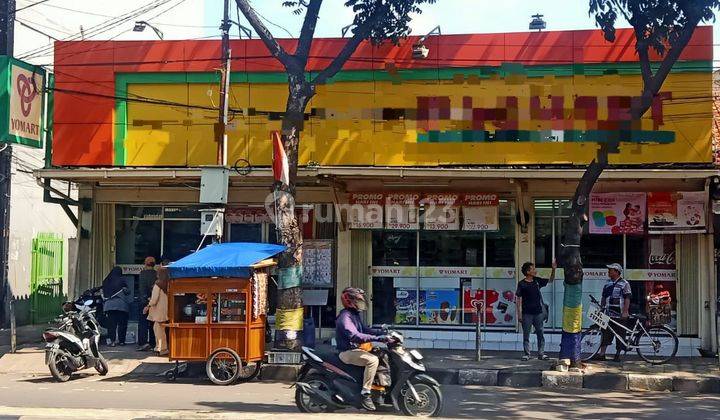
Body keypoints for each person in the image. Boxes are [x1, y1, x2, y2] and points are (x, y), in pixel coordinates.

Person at [336, 287, 390, 412]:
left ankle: (378, 389)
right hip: (347, 352)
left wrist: (383, 332)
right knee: (372, 360)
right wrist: (378, 338)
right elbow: (355, 336)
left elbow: (365, 330)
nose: (361, 303)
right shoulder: (345, 317)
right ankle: (365, 393)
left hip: (356, 350)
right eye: (358, 300)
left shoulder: (354, 315)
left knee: (382, 355)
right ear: (350, 301)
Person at [516, 259, 556, 361]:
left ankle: (541, 353)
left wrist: (553, 269)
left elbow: (551, 280)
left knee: (540, 333)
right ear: (528, 272)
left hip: (538, 312)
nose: (535, 270)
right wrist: (519, 314)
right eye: (533, 269)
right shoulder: (522, 284)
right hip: (526, 313)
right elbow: (518, 299)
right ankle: (527, 354)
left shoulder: (537, 281)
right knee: (526, 334)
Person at [593, 263, 632, 362]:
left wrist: (625, 311)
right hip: (608, 313)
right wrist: (601, 308)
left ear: (616, 271)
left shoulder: (624, 283)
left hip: (619, 314)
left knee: (620, 334)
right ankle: (602, 354)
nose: (608, 272)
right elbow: (604, 297)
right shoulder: (607, 283)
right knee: (605, 333)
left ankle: (618, 354)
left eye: (611, 270)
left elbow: (627, 298)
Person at [102, 266, 131, 346]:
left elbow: (104, 292)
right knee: (122, 324)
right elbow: (128, 292)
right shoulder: (122, 280)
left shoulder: (106, 281)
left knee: (111, 325)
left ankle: (112, 341)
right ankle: (121, 341)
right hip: (122, 305)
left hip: (109, 306)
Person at [145, 267, 169, 356]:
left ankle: (160, 348)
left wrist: (148, 305)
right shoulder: (168, 284)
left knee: (158, 330)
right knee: (161, 330)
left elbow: (154, 299)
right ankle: (162, 348)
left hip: (158, 311)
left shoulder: (158, 285)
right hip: (165, 310)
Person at [137, 256, 157, 351]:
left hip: (144, 302)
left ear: (145, 264)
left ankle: (143, 343)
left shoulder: (143, 274)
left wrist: (146, 300)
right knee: (153, 323)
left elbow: (142, 290)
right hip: (155, 302)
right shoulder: (157, 274)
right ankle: (153, 343)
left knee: (143, 323)